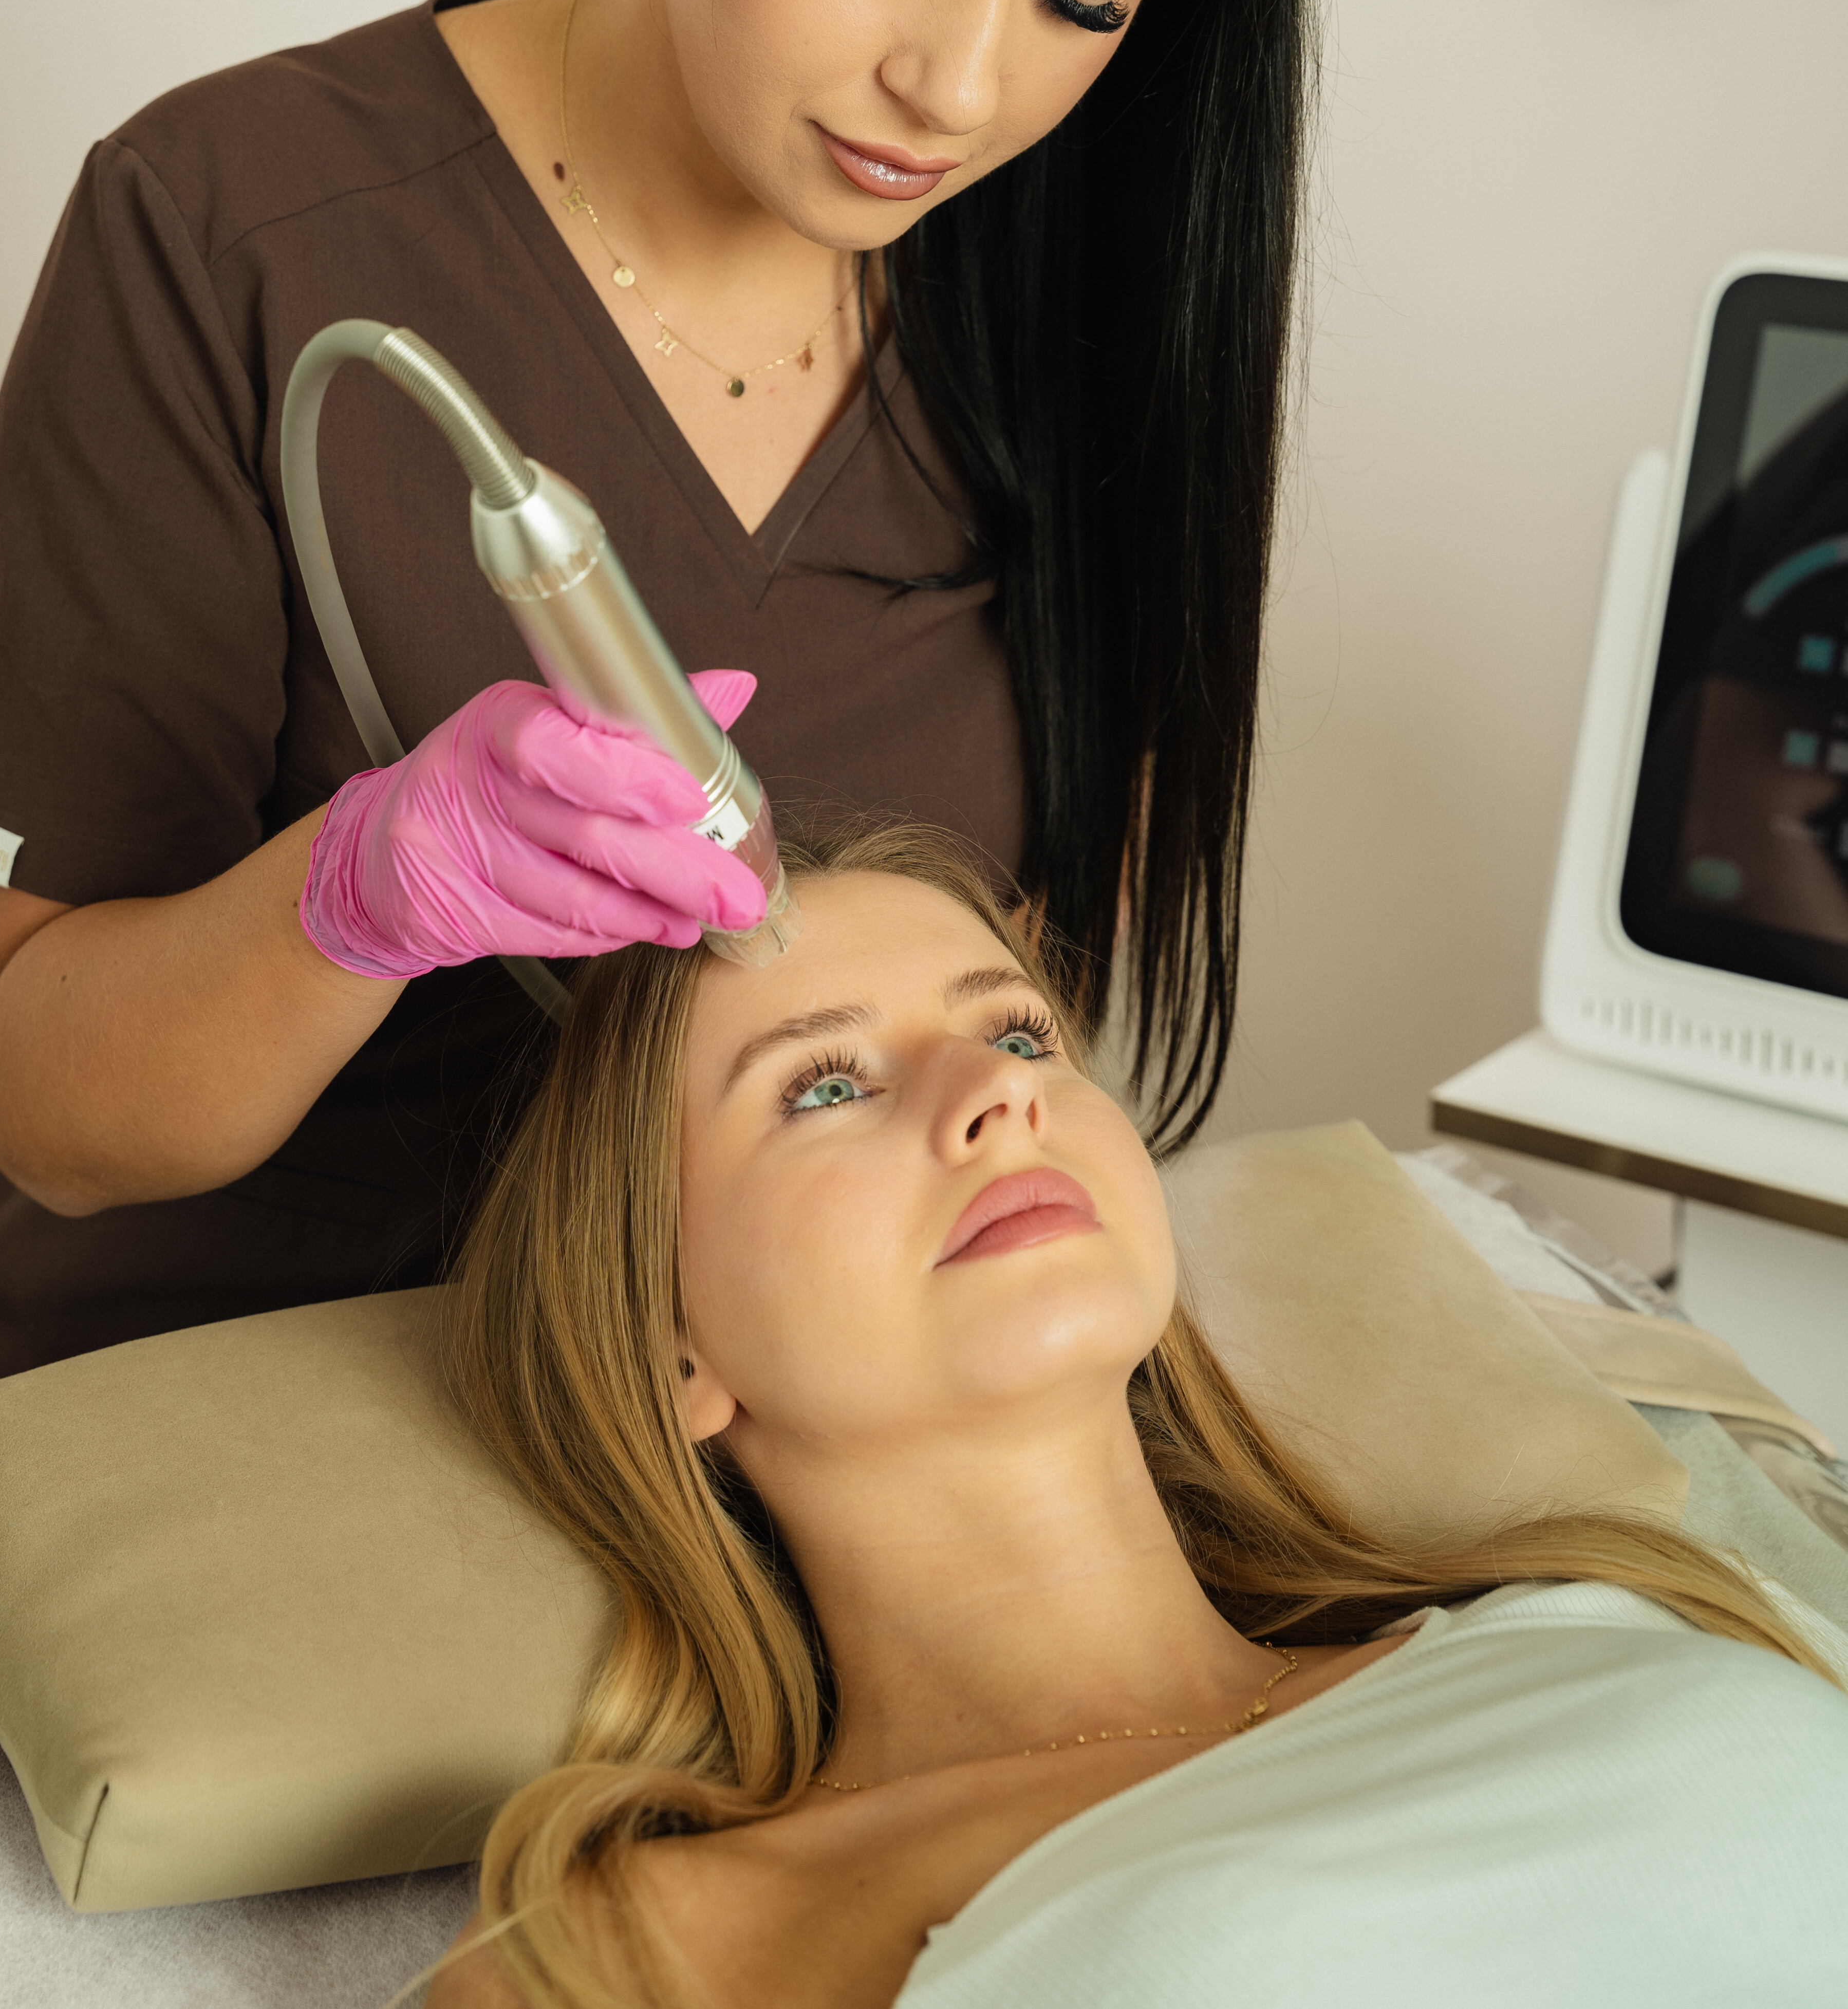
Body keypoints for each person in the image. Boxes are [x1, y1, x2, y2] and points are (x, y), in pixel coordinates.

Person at [0, 0, 1306, 1443]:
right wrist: (363, 891)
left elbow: (1020, 1024)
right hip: (188, 1447)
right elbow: (63, 1120)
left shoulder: (1077, 317)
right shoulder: (238, 224)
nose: (963, 86)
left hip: (728, 1470)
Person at [428, 824, 1848, 2009]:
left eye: (1020, 1031)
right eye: (829, 1083)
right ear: (670, 1346)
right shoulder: (653, 1948)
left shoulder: (1621, 1601)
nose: (1000, 1090)